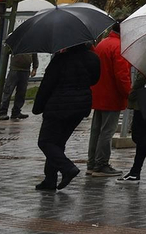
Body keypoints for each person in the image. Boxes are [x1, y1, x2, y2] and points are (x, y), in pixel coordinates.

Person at [31, 41, 101, 191]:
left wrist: (38, 107)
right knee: (58, 143)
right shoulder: (93, 58)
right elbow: (95, 80)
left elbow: (47, 84)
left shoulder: (60, 59)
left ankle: (68, 168)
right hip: (80, 107)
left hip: (58, 107)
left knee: (45, 142)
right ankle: (50, 180)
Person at [86, 24, 131, 177]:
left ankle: (92, 163)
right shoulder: (119, 48)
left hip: (99, 93)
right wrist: (128, 93)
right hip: (112, 96)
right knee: (107, 132)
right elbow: (122, 76)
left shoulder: (103, 43)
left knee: (96, 130)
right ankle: (101, 164)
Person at [0, 50, 38, 121]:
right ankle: (3, 112)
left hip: (25, 71)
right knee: (8, 91)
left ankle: (16, 112)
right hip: (14, 70)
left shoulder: (32, 45)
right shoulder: (17, 43)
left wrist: (34, 68)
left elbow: (35, 56)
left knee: (21, 92)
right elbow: (7, 52)